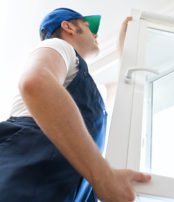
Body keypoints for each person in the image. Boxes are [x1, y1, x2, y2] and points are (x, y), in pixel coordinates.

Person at [0, 8, 150, 202]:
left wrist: (127, 49)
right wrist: (104, 176)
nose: (95, 34)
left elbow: (123, 92)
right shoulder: (58, 46)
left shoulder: (87, 91)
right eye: (89, 27)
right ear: (68, 27)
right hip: (22, 179)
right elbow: (36, 82)